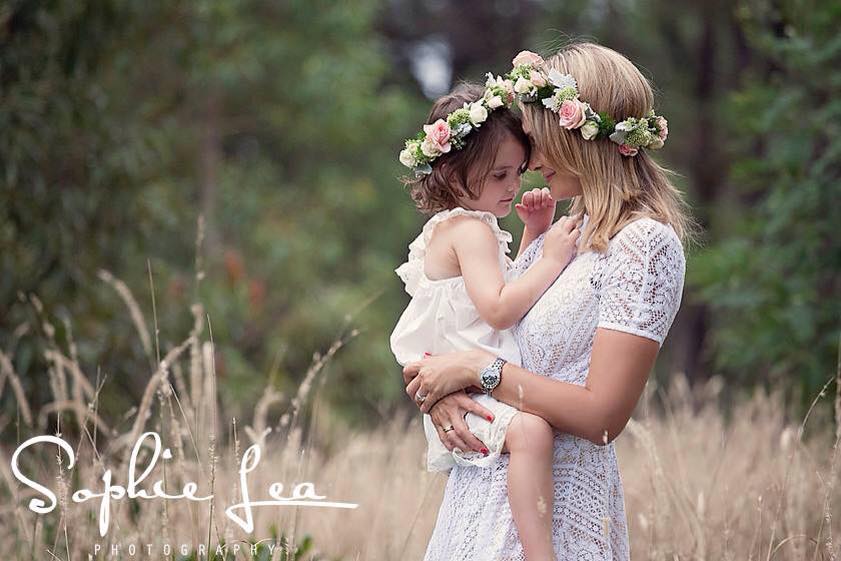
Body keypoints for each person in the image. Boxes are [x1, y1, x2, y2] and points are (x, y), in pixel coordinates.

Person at [402, 42, 693, 561]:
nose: (531, 163)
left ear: (574, 136)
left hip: (559, 514)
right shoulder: (560, 237)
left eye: (536, 142)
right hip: (480, 497)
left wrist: (479, 369)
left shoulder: (644, 244)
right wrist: (442, 392)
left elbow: (602, 416)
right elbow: (470, 328)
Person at [390, 81, 583, 561]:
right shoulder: (470, 230)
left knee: (532, 431)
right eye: (499, 175)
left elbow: (494, 300)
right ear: (455, 175)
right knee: (532, 432)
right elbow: (499, 310)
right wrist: (552, 256)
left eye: (518, 171)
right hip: (470, 390)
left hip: (469, 381)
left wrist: (533, 233)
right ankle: (541, 553)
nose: (514, 185)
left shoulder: (464, 228)